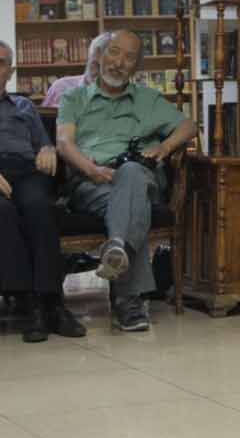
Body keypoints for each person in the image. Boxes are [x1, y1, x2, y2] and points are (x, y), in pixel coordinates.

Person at [56, 30, 197, 332]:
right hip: (93, 182)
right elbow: (64, 143)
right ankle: (128, 301)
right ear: (100, 56)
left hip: (139, 176)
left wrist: (165, 147)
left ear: (137, 67)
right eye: (114, 52)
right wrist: (91, 170)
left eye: (129, 57)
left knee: (132, 172)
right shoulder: (74, 98)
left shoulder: (149, 99)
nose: (118, 62)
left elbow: (189, 126)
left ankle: (116, 249)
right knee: (133, 207)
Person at [0, 39, 85, 343]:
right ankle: (28, 304)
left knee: (39, 206)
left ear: (9, 72)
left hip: (26, 171)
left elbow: (43, 143)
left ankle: (53, 302)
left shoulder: (23, 106)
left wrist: (47, 149)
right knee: (1, 210)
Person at [44, 31, 112, 108]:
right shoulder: (60, 87)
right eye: (96, 65)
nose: (99, 72)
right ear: (89, 59)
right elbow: (43, 114)